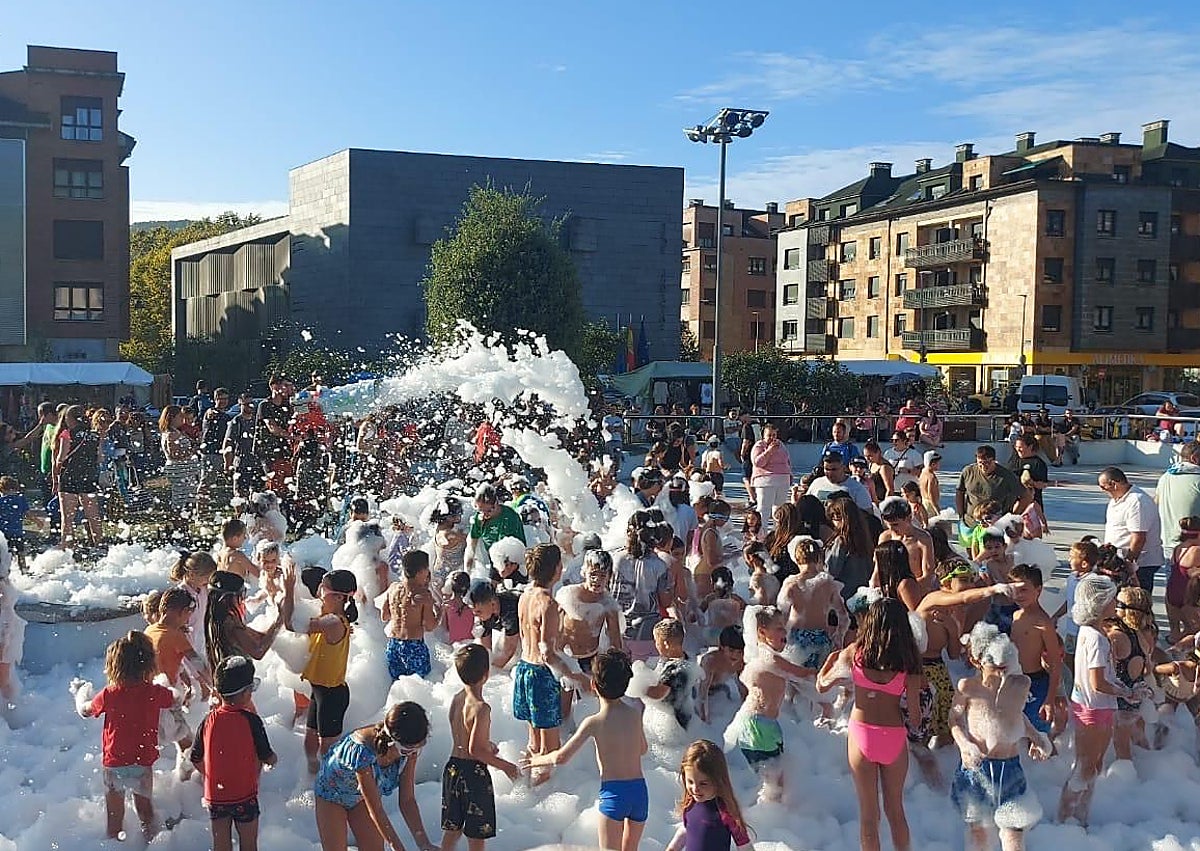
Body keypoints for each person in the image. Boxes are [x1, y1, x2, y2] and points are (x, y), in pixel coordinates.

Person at [818, 598, 922, 851]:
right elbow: (916, 717)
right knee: (895, 810)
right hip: (894, 736)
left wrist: (828, 665)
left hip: (862, 734)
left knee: (868, 814)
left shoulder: (855, 653)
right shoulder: (909, 662)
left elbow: (822, 687)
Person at [523, 648, 650, 851]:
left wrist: (536, 761)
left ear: (593, 685)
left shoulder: (594, 722)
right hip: (640, 792)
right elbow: (643, 749)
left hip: (614, 794)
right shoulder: (634, 714)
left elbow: (562, 757)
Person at [1057, 574, 1151, 827]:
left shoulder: (1091, 631)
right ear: (1099, 603)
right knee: (1086, 767)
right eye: (1112, 599)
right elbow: (1098, 682)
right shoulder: (1098, 638)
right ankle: (1064, 819)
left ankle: (1079, 818)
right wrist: (1127, 692)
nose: (1115, 604)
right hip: (1093, 709)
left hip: (1092, 705)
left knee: (1093, 766)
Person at [949, 623, 1051, 851]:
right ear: (977, 661)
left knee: (1014, 833)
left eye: (1006, 660)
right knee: (979, 834)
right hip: (977, 768)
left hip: (1010, 767)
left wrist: (1037, 737)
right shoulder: (968, 687)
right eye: (994, 663)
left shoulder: (1021, 683)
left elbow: (1018, 714)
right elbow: (954, 720)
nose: (1002, 668)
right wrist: (965, 746)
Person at [80, 631, 176, 841]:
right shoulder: (154, 692)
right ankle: (153, 843)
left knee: (114, 819)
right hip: (142, 762)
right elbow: (173, 699)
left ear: (115, 666)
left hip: (115, 763)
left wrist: (80, 698)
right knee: (146, 812)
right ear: (147, 664)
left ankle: (115, 844)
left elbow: (87, 711)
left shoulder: (109, 693)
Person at [314, 701, 436, 851]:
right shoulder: (363, 752)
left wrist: (423, 842)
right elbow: (376, 810)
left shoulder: (410, 749)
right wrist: (398, 848)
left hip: (360, 798)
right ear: (392, 742)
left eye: (419, 746)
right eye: (408, 750)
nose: (413, 753)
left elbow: (407, 800)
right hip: (331, 795)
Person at [514, 544, 587, 785]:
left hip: (523, 669)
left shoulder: (525, 596)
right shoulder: (549, 604)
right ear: (557, 569)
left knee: (533, 743)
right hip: (540, 674)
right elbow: (547, 652)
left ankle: (522, 790)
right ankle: (540, 801)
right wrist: (573, 676)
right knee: (549, 749)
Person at [189, 656, 277, 851]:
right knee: (249, 844)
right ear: (246, 693)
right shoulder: (252, 720)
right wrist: (273, 760)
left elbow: (195, 758)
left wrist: (212, 774)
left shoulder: (207, 721)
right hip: (244, 796)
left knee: (220, 845)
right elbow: (266, 755)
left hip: (215, 798)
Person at [734, 606, 818, 802]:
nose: (785, 631)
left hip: (760, 724)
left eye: (784, 626)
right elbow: (801, 674)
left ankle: (767, 815)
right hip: (758, 726)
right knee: (773, 781)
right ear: (762, 632)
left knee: (772, 779)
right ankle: (766, 816)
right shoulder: (770, 659)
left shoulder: (764, 658)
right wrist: (827, 676)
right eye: (779, 628)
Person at [441, 643, 519, 851]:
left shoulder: (457, 699)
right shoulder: (481, 708)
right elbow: (476, 751)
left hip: (452, 768)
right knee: (477, 835)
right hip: (472, 775)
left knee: (453, 829)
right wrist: (506, 767)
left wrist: (486, 745)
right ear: (486, 673)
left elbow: (463, 739)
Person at [281, 566, 357, 773]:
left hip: (333, 694)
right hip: (319, 690)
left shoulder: (333, 622)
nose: (319, 594)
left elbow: (291, 624)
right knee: (310, 741)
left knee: (328, 750)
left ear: (340, 598)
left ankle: (332, 785)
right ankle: (312, 778)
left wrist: (289, 590)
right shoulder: (327, 617)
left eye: (323, 590)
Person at [556, 548, 622, 722]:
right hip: (567, 659)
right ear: (584, 572)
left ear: (609, 576)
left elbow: (615, 637)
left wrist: (618, 665)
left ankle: (588, 741)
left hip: (590, 659)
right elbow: (552, 624)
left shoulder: (607, 603)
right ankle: (565, 735)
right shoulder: (568, 595)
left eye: (602, 575)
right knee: (563, 710)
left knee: (592, 708)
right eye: (593, 574)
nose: (597, 580)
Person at [665, 739, 754, 851]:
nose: (695, 788)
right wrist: (673, 848)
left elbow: (744, 846)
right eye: (690, 782)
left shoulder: (725, 811)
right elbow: (687, 829)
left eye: (703, 783)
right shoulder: (690, 804)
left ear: (718, 780)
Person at [1007, 565, 1062, 739]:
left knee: (1037, 735)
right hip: (1013, 680)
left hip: (1035, 683)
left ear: (1038, 590)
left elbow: (1056, 663)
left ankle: (1051, 763)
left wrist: (1050, 698)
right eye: (1015, 590)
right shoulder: (1015, 616)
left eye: (1024, 590)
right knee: (1013, 732)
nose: (1019, 595)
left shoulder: (1043, 622)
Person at [610, 510, 673, 660]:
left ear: (628, 533)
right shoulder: (659, 565)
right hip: (647, 633)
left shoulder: (615, 559)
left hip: (616, 630)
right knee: (643, 680)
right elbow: (666, 602)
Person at [1107, 585, 1157, 761]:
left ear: (1128, 611)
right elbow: (1148, 668)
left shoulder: (1115, 636)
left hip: (1122, 697)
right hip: (1138, 692)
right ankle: (1151, 767)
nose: (1113, 604)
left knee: (1120, 744)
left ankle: (1127, 777)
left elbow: (1106, 669)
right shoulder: (1143, 635)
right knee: (1138, 738)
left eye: (1117, 603)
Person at [1099, 466, 1164, 593]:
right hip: (1118, 561)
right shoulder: (1116, 500)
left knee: (1135, 604)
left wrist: (1129, 564)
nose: (1102, 490)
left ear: (1114, 484)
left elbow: (1139, 537)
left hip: (1139, 565)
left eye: (1103, 487)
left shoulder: (1137, 501)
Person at [382, 549, 438, 680]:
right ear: (420, 572)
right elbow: (430, 626)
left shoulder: (393, 588)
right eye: (427, 569)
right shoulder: (423, 595)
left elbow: (384, 616)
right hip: (414, 647)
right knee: (419, 687)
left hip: (393, 645)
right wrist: (440, 613)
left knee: (397, 686)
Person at [53, 404, 102, 547]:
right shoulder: (94, 435)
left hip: (69, 477)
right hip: (89, 477)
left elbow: (61, 458)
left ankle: (67, 547)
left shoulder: (67, 433)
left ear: (69, 418)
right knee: (94, 516)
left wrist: (56, 470)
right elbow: (99, 458)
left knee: (67, 518)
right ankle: (98, 545)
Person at [955, 446, 1028, 536]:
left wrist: (1013, 515)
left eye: (987, 463)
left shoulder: (1006, 476)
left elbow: (1026, 496)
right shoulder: (968, 471)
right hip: (971, 522)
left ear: (994, 460)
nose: (983, 466)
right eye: (980, 463)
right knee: (972, 548)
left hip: (995, 524)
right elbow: (959, 492)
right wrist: (961, 515)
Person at [467, 483, 525, 574]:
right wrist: (467, 571)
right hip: (495, 560)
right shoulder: (479, 518)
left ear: (496, 503)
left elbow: (509, 554)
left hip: (514, 562)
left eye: (489, 511)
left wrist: (502, 573)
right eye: (481, 511)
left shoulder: (509, 517)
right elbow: (471, 546)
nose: (485, 515)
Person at [878, 496, 936, 587]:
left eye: (895, 524)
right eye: (888, 525)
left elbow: (928, 576)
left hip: (916, 589)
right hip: (890, 589)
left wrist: (906, 589)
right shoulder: (885, 537)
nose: (892, 529)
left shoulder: (922, 539)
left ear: (909, 518)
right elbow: (878, 569)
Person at [255, 375, 295, 504]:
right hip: (268, 451)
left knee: (287, 483)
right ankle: (267, 510)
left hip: (284, 451)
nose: (288, 388)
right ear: (274, 387)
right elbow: (273, 428)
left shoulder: (287, 406)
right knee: (274, 483)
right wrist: (294, 437)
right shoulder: (265, 405)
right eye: (285, 385)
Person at [1157, 441, 1200, 557]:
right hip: (1194, 548)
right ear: (1194, 459)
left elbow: (1156, 503)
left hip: (1170, 544)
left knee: (1172, 575)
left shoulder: (1165, 477)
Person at [698, 625, 748, 724]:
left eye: (740, 652)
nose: (735, 655)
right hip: (699, 690)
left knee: (725, 698)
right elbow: (702, 694)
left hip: (719, 689)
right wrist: (704, 722)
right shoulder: (710, 661)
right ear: (721, 647)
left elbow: (742, 688)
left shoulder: (740, 662)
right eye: (731, 651)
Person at [468, 579, 522, 669]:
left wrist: (492, 672)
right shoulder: (485, 613)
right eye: (474, 612)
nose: (475, 615)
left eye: (478, 611)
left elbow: (508, 651)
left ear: (493, 604)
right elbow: (486, 650)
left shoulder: (509, 611)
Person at [0, 532, 27, 710]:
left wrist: (3, 644)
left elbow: (6, 627)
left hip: (6, 634)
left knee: (3, 679)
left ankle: (11, 711)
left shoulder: (3, 593)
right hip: (7, 632)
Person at [750, 423, 791, 529]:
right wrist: (769, 451)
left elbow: (787, 461)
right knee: (764, 508)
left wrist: (790, 474)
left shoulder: (781, 445)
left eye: (774, 435)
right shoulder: (759, 445)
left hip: (782, 480)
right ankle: (761, 533)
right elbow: (757, 462)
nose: (772, 438)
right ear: (764, 436)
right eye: (769, 435)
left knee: (779, 509)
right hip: (766, 481)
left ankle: (778, 533)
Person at [160, 404, 200, 512]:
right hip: (179, 471)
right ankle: (177, 523)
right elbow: (175, 454)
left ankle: (183, 524)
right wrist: (193, 450)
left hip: (185, 471)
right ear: (172, 417)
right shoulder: (171, 434)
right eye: (180, 417)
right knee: (180, 500)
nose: (182, 419)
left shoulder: (176, 431)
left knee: (188, 500)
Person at [0, 475, 44, 573]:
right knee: (20, 553)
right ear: (15, 488)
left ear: (1, 489)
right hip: (17, 533)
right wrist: (38, 521)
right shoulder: (20, 499)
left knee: (5, 555)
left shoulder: (1, 501)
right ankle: (23, 570)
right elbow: (28, 514)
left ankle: (5, 572)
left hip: (3, 535)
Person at [1166, 517, 1200, 641]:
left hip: (1172, 592)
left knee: (1175, 632)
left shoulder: (1178, 548)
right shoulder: (1196, 550)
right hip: (1187, 595)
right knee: (1194, 632)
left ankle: (1173, 649)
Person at [223, 394, 262, 500]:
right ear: (240, 404)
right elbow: (228, 444)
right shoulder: (236, 422)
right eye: (247, 404)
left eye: (252, 403)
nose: (250, 406)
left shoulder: (257, 421)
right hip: (241, 463)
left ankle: (253, 515)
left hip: (257, 463)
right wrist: (227, 465)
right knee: (240, 494)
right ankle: (240, 516)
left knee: (257, 494)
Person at [807, 451, 873, 513]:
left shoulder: (857, 488)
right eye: (827, 469)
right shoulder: (817, 483)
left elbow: (867, 514)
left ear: (843, 468)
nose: (830, 473)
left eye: (834, 469)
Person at [737, 411, 757, 506]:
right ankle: (757, 495)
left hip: (749, 454)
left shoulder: (747, 426)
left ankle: (752, 498)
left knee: (746, 478)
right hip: (758, 453)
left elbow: (746, 441)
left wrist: (742, 453)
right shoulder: (757, 424)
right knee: (755, 476)